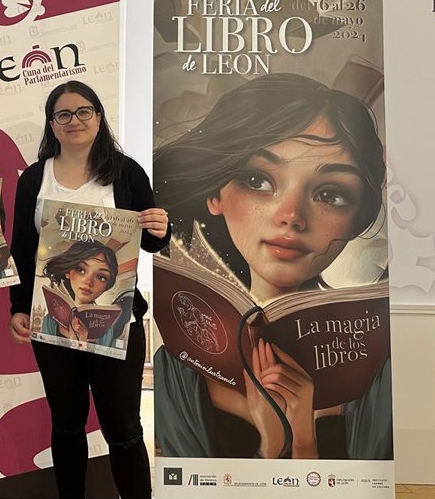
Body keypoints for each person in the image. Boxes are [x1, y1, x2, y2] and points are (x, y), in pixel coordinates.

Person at [152, 72, 390, 462]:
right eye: (258, 180)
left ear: (357, 218)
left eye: (331, 194)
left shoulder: (377, 365)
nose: (291, 215)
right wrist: (271, 445)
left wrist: (302, 440)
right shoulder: (178, 366)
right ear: (215, 194)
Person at [8, 80, 172, 499]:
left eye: (83, 111)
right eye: (63, 114)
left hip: (117, 323)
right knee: (66, 422)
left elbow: (151, 241)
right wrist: (18, 308)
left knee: (123, 426)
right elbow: (21, 247)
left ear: (99, 117)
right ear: (51, 124)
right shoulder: (34, 178)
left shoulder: (126, 172)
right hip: (51, 322)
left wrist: (161, 226)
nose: (74, 120)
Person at [38, 239, 121, 346]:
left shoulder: (106, 330)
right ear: (68, 272)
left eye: (101, 277)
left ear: (107, 285)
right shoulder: (50, 320)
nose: (88, 282)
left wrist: (82, 345)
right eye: (80, 269)